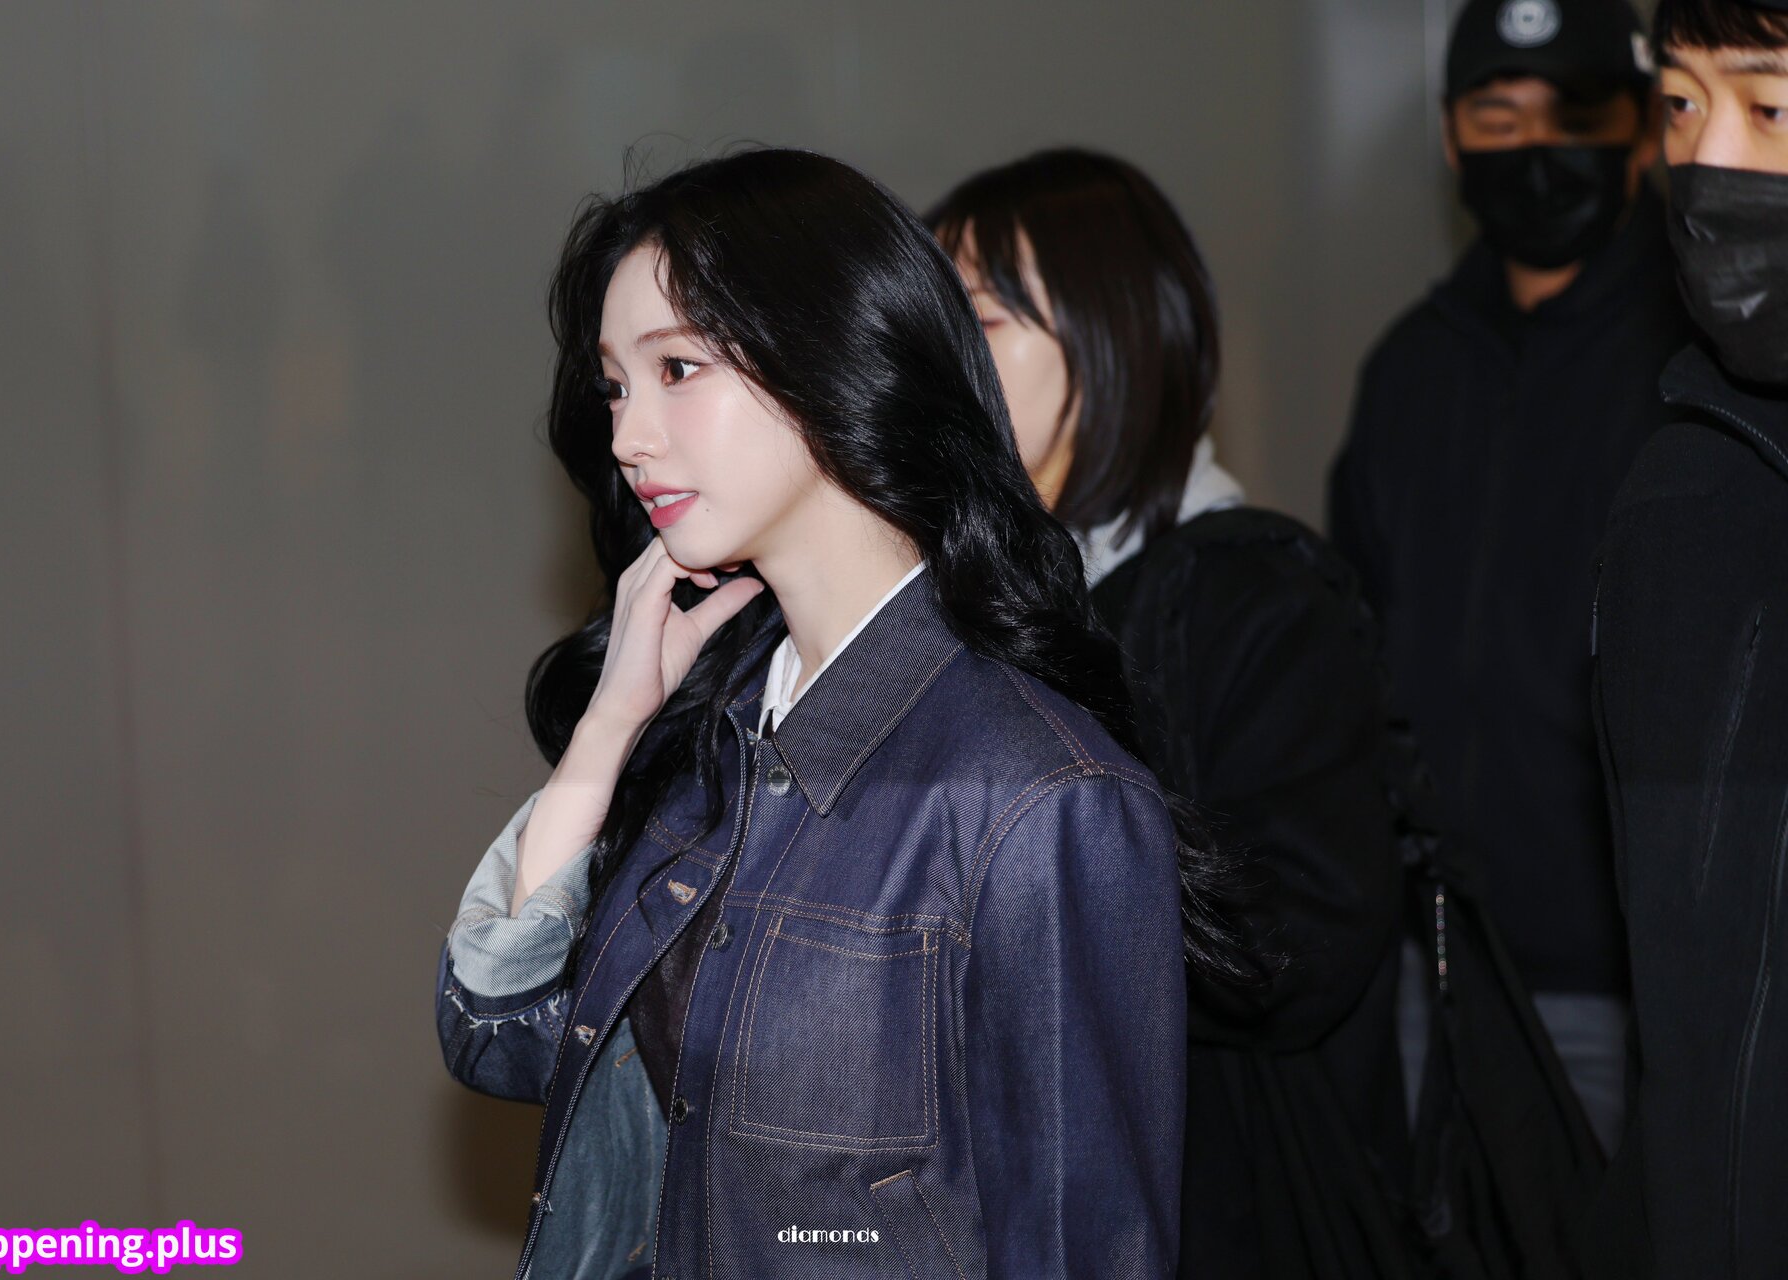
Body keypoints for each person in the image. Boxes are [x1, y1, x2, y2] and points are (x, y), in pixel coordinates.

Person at [435, 148, 1204, 1280]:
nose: (628, 436)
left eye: (678, 368)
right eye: (615, 385)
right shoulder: (718, 729)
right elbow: (503, 1040)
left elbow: (1083, 1248)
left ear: (836, 355)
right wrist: (606, 736)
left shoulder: (1040, 799)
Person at [929, 148, 1410, 1279]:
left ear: (1114, 340)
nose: (940, 364)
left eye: (979, 322)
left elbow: (1296, 948)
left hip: (1215, 1213)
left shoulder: (1256, 594)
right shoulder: (973, 599)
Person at [1329, 0, 1688, 1153]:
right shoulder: (1408, 369)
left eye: (1573, 115)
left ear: (1642, 128)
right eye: (1498, 116)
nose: (1534, 148)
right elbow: (1355, 652)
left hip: (1632, 983)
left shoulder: (1699, 361)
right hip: (1426, 964)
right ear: (1451, 137)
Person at [1587, 1, 1788, 1274]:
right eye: (1678, 103)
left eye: (1771, 107)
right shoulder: (1686, 503)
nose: (1709, 161)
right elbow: (1702, 1028)